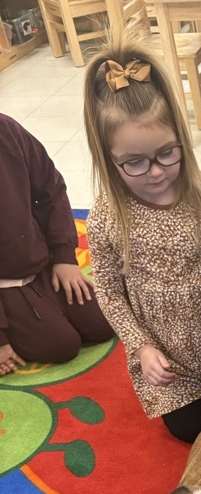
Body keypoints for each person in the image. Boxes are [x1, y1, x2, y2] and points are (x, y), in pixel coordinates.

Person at [83, 29, 201, 443]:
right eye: (134, 163)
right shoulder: (106, 216)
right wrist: (142, 348)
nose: (155, 172)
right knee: (193, 429)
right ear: (109, 159)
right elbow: (108, 291)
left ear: (182, 141)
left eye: (166, 153)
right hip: (165, 359)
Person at [0, 113, 113, 377]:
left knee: (102, 324)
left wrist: (64, 258)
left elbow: (50, 187)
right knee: (61, 346)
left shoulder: (6, 129)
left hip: (40, 261)